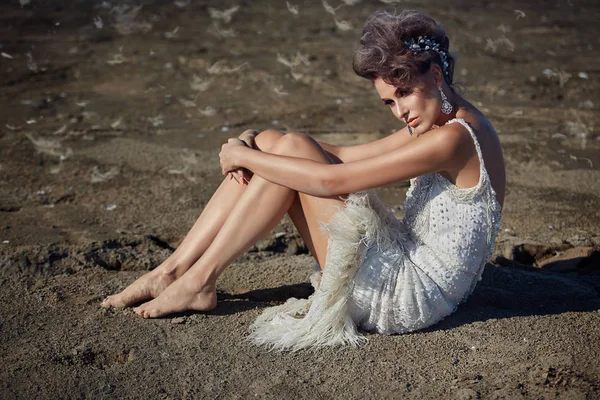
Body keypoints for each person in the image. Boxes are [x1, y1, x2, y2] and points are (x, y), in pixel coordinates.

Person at [101, 9, 505, 351]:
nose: (399, 110)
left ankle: (199, 280)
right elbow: (343, 154)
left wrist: (244, 157)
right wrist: (259, 141)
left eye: (404, 92)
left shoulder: (453, 139)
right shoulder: (445, 121)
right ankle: (173, 271)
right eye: (388, 101)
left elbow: (332, 181)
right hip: (409, 263)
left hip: (410, 298)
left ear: (435, 76)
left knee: (288, 152)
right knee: (285, 143)